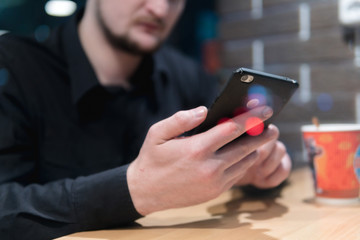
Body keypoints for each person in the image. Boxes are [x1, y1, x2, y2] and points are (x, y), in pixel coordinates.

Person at [0, 0, 291, 239]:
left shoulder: (186, 75)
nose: (160, 9)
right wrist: (135, 190)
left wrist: (250, 169)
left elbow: (231, 163)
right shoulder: (13, 69)